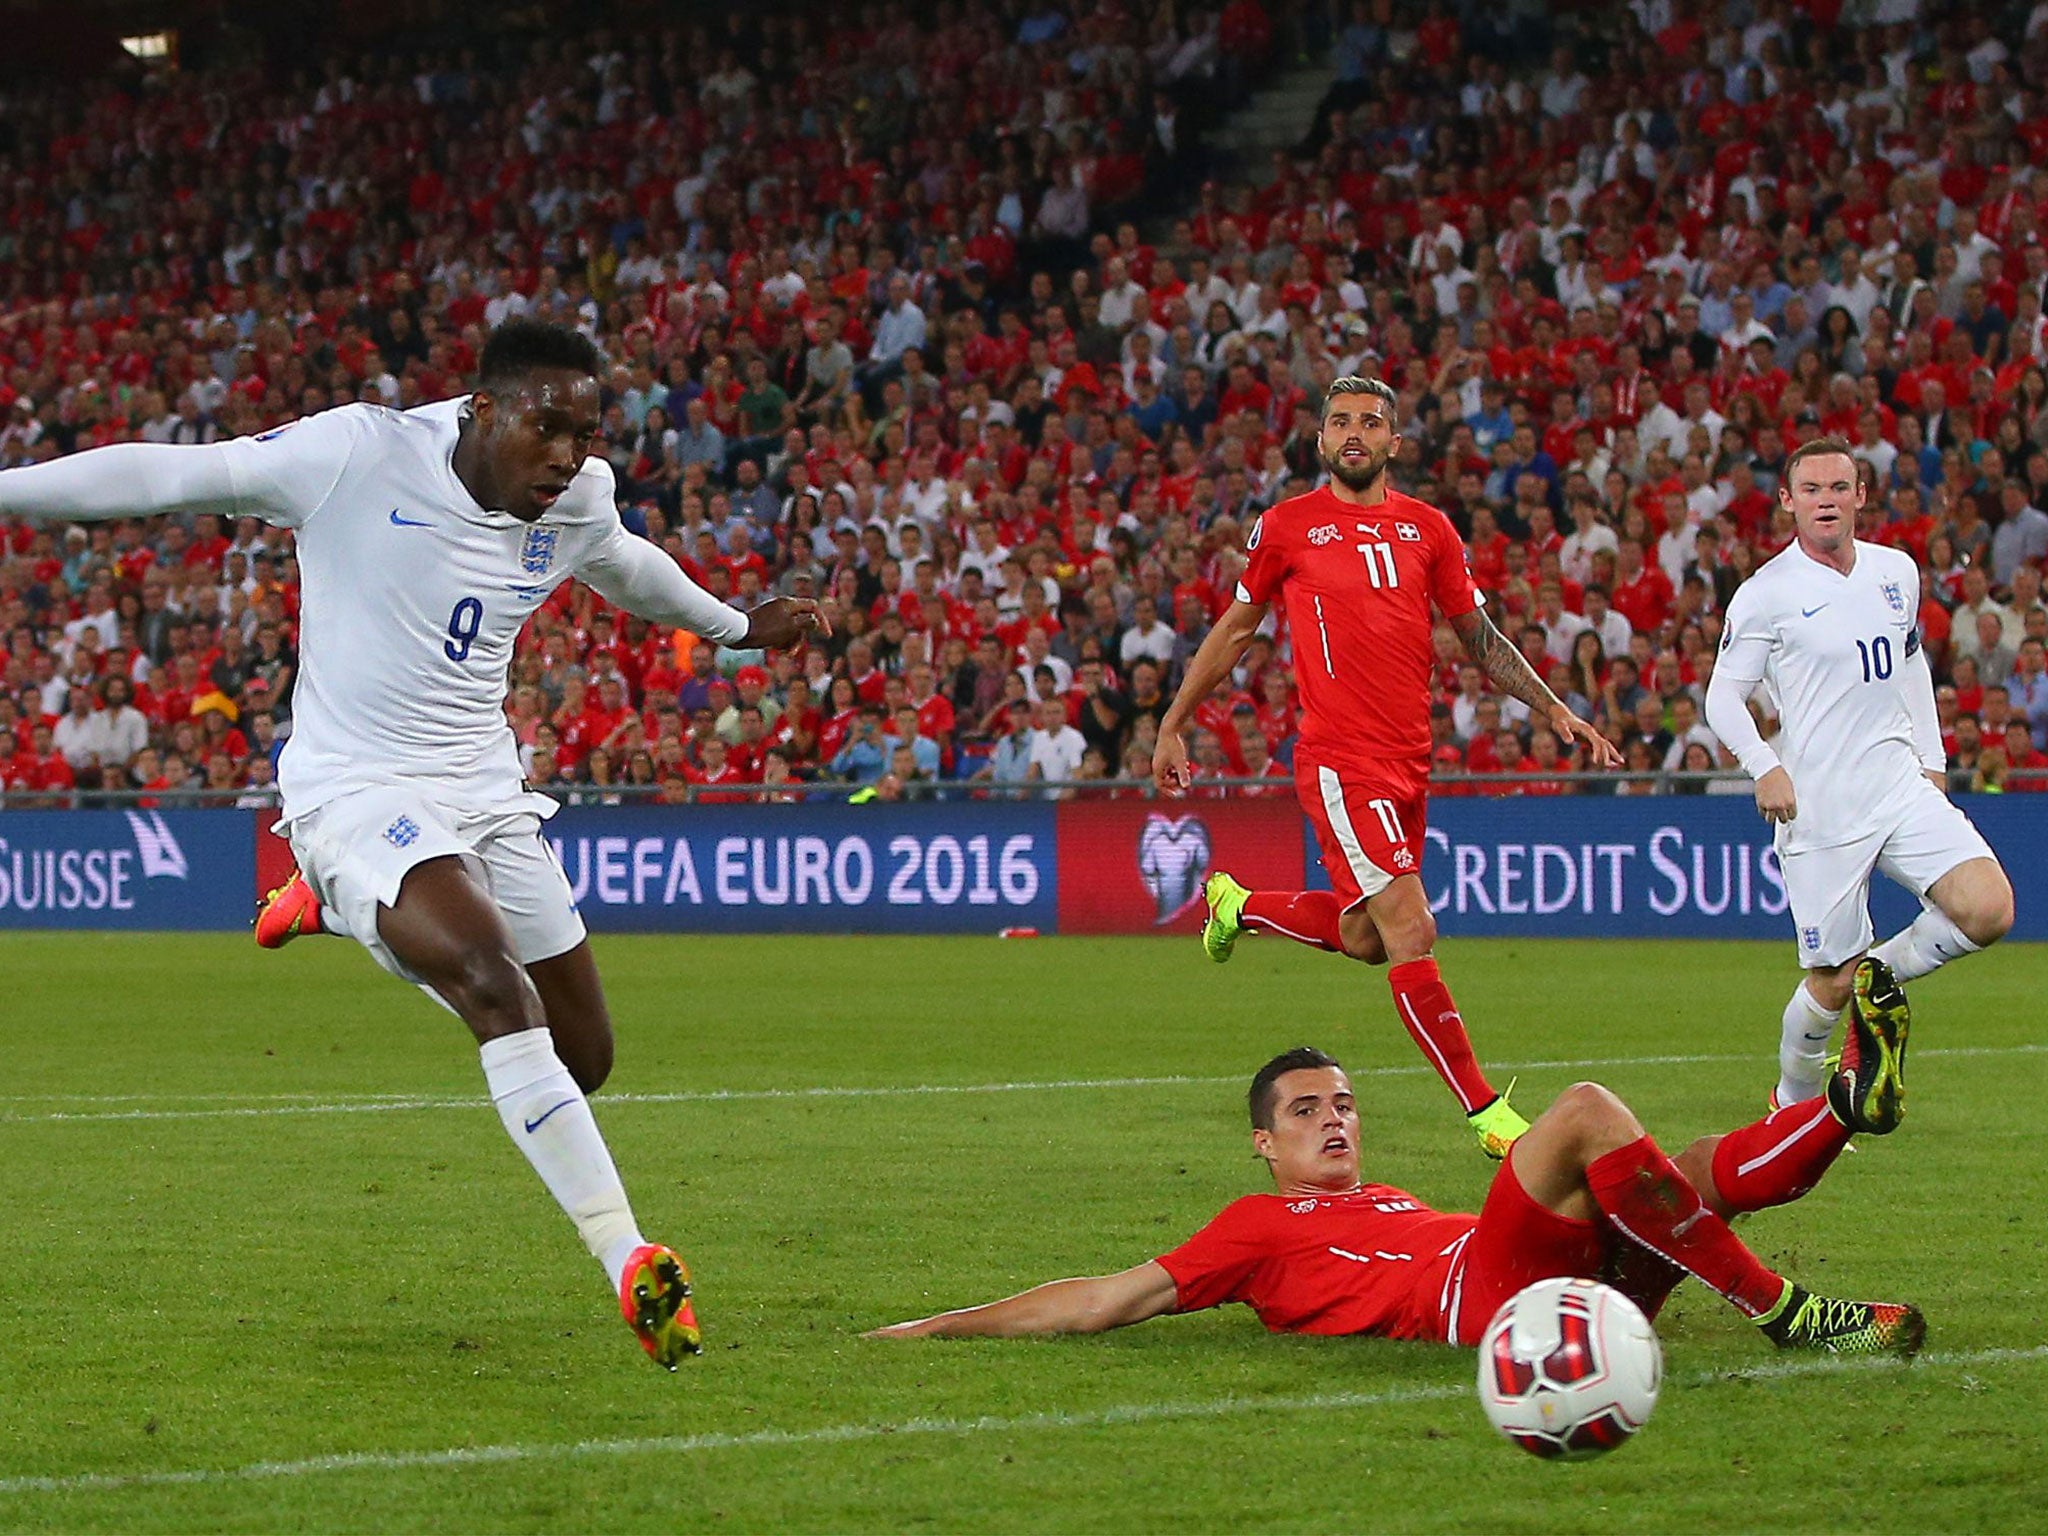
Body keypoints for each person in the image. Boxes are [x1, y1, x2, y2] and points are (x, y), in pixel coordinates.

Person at [0, 319, 829, 1371]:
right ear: (483, 410)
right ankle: (629, 1258)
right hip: (354, 787)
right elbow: (172, 473)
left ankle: (331, 901)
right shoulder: (354, 454)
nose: (568, 455)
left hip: (482, 789)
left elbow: (624, 565)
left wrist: (736, 630)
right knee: (489, 981)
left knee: (582, 1059)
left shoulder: (574, 498)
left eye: (585, 433)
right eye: (549, 427)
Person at [870, 962, 1923, 1359]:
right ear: (1262, 1143)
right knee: (1583, 1114)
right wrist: (934, 1324)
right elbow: (1102, 1299)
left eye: (1342, 1104)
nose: (1333, 1121)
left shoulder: (1387, 1196)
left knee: (1683, 1167)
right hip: (1488, 1304)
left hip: (1553, 1292)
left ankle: (1842, 1104)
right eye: (1304, 1111)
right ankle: (1784, 1314)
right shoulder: (1253, 1226)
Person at [1155, 377, 1621, 1159]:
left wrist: (1553, 709)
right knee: (1411, 928)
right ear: (1321, 440)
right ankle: (1485, 1114)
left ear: (1394, 443)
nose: (1354, 434)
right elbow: (1238, 629)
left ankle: (1238, 906)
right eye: (1340, 422)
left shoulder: (1429, 529)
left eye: (1371, 423)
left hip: (1410, 762)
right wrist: (1172, 722)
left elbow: (1479, 637)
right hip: (1342, 761)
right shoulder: (1288, 527)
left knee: (1369, 938)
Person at [1704, 438, 2014, 1109]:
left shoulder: (1895, 571)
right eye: (1811, 490)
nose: (1826, 501)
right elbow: (1722, 697)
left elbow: (1910, 669)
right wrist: (1765, 765)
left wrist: (1930, 764)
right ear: (1788, 501)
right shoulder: (1767, 594)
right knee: (1828, 981)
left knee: (1988, 908)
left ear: (1860, 496)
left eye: (1839, 488)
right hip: (1821, 806)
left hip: (1897, 784)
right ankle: (1790, 1104)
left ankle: (1881, 974)